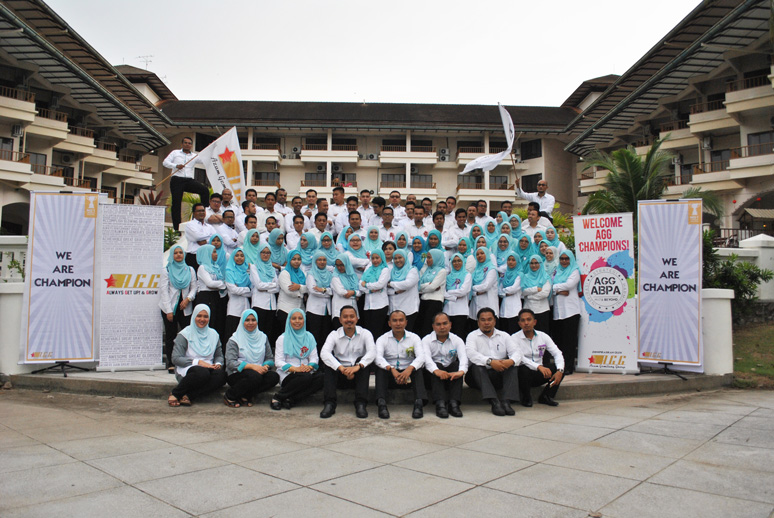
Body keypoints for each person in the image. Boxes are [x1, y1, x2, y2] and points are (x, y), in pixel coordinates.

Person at [319, 306, 376, 419]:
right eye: (345, 317)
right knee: (330, 362)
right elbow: (324, 353)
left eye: (352, 316)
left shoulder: (365, 333)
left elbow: (372, 352)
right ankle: (329, 404)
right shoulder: (334, 334)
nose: (349, 319)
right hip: (340, 374)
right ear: (340, 320)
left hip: (358, 375)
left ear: (357, 318)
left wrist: (358, 366)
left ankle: (361, 404)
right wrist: (340, 367)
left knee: (364, 361)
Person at [465, 307, 521, 416]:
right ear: (478, 322)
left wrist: (510, 361)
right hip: (479, 376)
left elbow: (517, 352)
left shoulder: (504, 336)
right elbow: (471, 354)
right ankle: (494, 402)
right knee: (477, 366)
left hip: (499, 374)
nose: (486, 323)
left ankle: (506, 402)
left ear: (494, 321)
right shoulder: (472, 336)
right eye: (483, 320)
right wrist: (490, 362)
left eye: (489, 319)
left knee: (513, 365)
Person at [168, 304, 226, 407]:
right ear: (194, 316)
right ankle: (176, 393)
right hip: (188, 368)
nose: (202, 319)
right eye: (199, 316)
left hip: (208, 368)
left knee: (221, 376)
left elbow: (219, 355)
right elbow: (176, 358)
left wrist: (218, 363)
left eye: (205, 316)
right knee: (202, 372)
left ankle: (189, 395)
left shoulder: (214, 334)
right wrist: (198, 362)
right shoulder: (184, 334)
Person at [374, 310, 427, 419]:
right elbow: (377, 357)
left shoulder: (414, 338)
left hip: (408, 375)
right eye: (394, 320)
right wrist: (391, 368)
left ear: (406, 322)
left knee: (418, 368)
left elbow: (421, 357)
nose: (398, 323)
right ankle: (381, 404)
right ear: (389, 323)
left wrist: (410, 368)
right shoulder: (382, 339)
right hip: (391, 374)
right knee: (381, 369)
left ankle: (418, 404)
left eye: (401, 320)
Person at [224, 309, 279, 407]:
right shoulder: (234, 340)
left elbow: (269, 358)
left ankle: (246, 395)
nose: (250, 323)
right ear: (242, 321)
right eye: (247, 320)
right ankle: (230, 395)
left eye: (253, 320)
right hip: (237, 373)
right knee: (255, 376)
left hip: (258, 372)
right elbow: (230, 363)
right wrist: (252, 367)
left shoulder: (263, 337)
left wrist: (265, 366)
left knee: (274, 377)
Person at [272, 309, 324, 410]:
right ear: (289, 320)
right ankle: (278, 397)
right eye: (294, 318)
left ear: (304, 320)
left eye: (300, 318)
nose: (297, 321)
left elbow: (314, 357)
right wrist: (296, 369)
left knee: (322, 378)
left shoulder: (309, 337)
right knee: (305, 377)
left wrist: (309, 367)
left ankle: (291, 399)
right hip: (288, 374)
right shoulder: (282, 338)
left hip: (307, 372)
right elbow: (278, 361)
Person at [513, 308, 564, 406]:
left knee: (560, 367)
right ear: (519, 324)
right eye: (523, 320)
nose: (526, 323)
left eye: (529, 319)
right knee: (523, 369)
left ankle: (546, 396)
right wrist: (538, 367)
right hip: (523, 375)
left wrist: (560, 370)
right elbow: (519, 358)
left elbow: (557, 353)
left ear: (534, 322)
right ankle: (526, 397)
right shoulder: (514, 338)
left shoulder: (543, 336)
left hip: (540, 373)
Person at [421, 312, 467, 418]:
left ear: (450, 324)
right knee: (436, 365)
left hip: (450, 377)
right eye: (438, 324)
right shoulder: (426, 340)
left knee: (456, 366)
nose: (442, 327)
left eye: (445, 323)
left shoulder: (457, 340)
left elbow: (464, 358)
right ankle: (440, 404)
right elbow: (426, 359)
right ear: (433, 326)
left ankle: (454, 403)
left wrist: (461, 371)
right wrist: (436, 371)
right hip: (433, 378)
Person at [160, 245, 197, 373]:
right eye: (175, 253)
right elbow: (164, 291)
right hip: (169, 307)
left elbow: (194, 287)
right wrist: (169, 310)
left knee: (187, 335)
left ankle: (186, 361)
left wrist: (188, 299)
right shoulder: (167, 270)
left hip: (185, 307)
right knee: (170, 335)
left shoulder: (190, 270)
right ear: (172, 255)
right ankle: (171, 363)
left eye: (181, 252)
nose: (178, 255)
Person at [163, 136, 208, 231]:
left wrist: (211, 149)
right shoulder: (175, 153)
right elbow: (165, 162)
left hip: (188, 180)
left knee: (204, 190)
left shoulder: (194, 156)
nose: (187, 145)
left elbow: (205, 161)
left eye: (189, 143)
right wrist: (175, 166)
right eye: (186, 143)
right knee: (176, 203)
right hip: (177, 179)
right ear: (182, 144)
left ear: (191, 145)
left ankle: (204, 214)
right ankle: (177, 228)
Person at [551, 250, 582, 375]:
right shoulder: (556, 271)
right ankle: (560, 367)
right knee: (559, 341)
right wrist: (559, 290)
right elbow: (550, 285)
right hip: (558, 312)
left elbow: (569, 285)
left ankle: (569, 367)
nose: (564, 261)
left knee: (569, 341)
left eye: (566, 259)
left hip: (571, 311)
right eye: (562, 259)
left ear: (571, 259)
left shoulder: (574, 271)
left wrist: (556, 289)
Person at [249, 243, 280, 349]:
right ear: (259, 253)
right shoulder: (254, 267)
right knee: (259, 331)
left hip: (271, 305)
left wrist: (266, 287)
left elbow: (278, 287)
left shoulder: (272, 268)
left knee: (269, 332)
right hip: (259, 304)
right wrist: (272, 285)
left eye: (268, 253)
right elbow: (258, 285)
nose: (265, 255)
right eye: (263, 252)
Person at [193, 245, 226, 337]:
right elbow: (209, 283)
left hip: (215, 297)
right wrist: (223, 284)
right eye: (213, 252)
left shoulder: (215, 267)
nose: (216, 254)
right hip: (206, 297)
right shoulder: (202, 268)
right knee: (208, 322)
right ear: (207, 253)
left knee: (216, 323)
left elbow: (214, 284)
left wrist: (219, 285)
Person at [224, 248, 253, 345]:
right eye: (237, 255)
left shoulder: (247, 272)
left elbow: (252, 292)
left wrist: (240, 289)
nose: (239, 258)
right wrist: (247, 289)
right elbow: (233, 290)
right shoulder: (229, 271)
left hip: (246, 306)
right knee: (232, 335)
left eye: (242, 256)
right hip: (234, 309)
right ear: (233, 257)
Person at [306, 251, 333, 352]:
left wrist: (322, 289)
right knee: (315, 336)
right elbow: (313, 290)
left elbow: (333, 290)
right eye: (319, 260)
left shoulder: (329, 274)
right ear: (315, 261)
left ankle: (323, 358)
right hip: (314, 310)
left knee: (325, 336)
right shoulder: (311, 274)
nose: (322, 262)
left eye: (324, 260)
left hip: (327, 310)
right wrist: (327, 291)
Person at [359, 249, 390, 338]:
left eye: (377, 258)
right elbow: (360, 285)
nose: (375, 260)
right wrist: (369, 290)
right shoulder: (369, 269)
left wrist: (366, 285)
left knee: (377, 331)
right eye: (373, 258)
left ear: (382, 258)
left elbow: (379, 284)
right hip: (368, 305)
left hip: (380, 304)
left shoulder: (385, 270)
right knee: (368, 331)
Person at [277, 250, 308, 337]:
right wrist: (302, 292)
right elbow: (289, 291)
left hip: (300, 309)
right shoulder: (284, 273)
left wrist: (299, 287)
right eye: (294, 259)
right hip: (285, 309)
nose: (296, 261)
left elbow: (309, 288)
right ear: (289, 260)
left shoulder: (302, 274)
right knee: (286, 336)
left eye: (299, 259)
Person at [387, 249, 420, 331]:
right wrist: (394, 291)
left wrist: (391, 284)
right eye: (395, 258)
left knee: (407, 333)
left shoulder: (412, 270)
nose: (398, 260)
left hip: (408, 309)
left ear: (405, 258)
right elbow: (385, 289)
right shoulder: (391, 271)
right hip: (393, 308)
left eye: (400, 258)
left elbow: (408, 284)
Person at [417, 249, 447, 337]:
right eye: (427, 257)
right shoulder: (427, 270)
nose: (427, 260)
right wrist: (427, 285)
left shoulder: (442, 271)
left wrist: (422, 289)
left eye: (430, 257)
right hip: (423, 301)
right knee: (421, 327)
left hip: (435, 302)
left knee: (429, 328)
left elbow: (432, 286)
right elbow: (419, 286)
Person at [443, 253, 472, 338]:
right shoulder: (448, 277)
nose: (457, 263)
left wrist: (449, 292)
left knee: (459, 336)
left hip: (461, 311)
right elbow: (443, 293)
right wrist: (454, 297)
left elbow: (463, 291)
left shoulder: (467, 275)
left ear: (463, 262)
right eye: (454, 261)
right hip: (447, 310)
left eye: (459, 261)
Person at [521, 255, 552, 335]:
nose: (534, 265)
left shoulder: (545, 277)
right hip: (528, 310)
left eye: (536, 263)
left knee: (542, 335)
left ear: (540, 264)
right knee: (528, 334)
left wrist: (529, 296)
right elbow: (523, 292)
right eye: (531, 263)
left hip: (542, 310)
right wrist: (536, 289)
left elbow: (544, 294)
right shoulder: (525, 277)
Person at [469, 246, 499, 327]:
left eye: (482, 253)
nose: (479, 256)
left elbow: (486, 286)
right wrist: (476, 292)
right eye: (477, 254)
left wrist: (473, 288)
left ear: (487, 254)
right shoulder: (475, 270)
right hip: (475, 307)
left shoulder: (491, 269)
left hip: (488, 304)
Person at [331, 255, 360, 327]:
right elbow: (341, 292)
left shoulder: (353, 276)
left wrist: (353, 292)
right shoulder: (335, 277)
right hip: (339, 311)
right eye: (337, 265)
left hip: (353, 309)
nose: (339, 267)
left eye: (342, 265)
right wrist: (355, 294)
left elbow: (360, 292)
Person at [184, 203, 215, 269]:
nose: (201, 213)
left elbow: (215, 238)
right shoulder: (190, 225)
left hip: (207, 256)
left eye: (203, 211)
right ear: (194, 213)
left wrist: (206, 241)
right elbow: (197, 237)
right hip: (193, 256)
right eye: (199, 211)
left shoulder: (209, 227)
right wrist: (209, 236)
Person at [499, 251, 523, 334]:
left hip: (514, 309)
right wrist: (505, 293)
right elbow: (499, 291)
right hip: (504, 309)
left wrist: (504, 291)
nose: (510, 262)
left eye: (513, 260)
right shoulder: (505, 274)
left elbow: (514, 289)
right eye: (509, 260)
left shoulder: (520, 274)